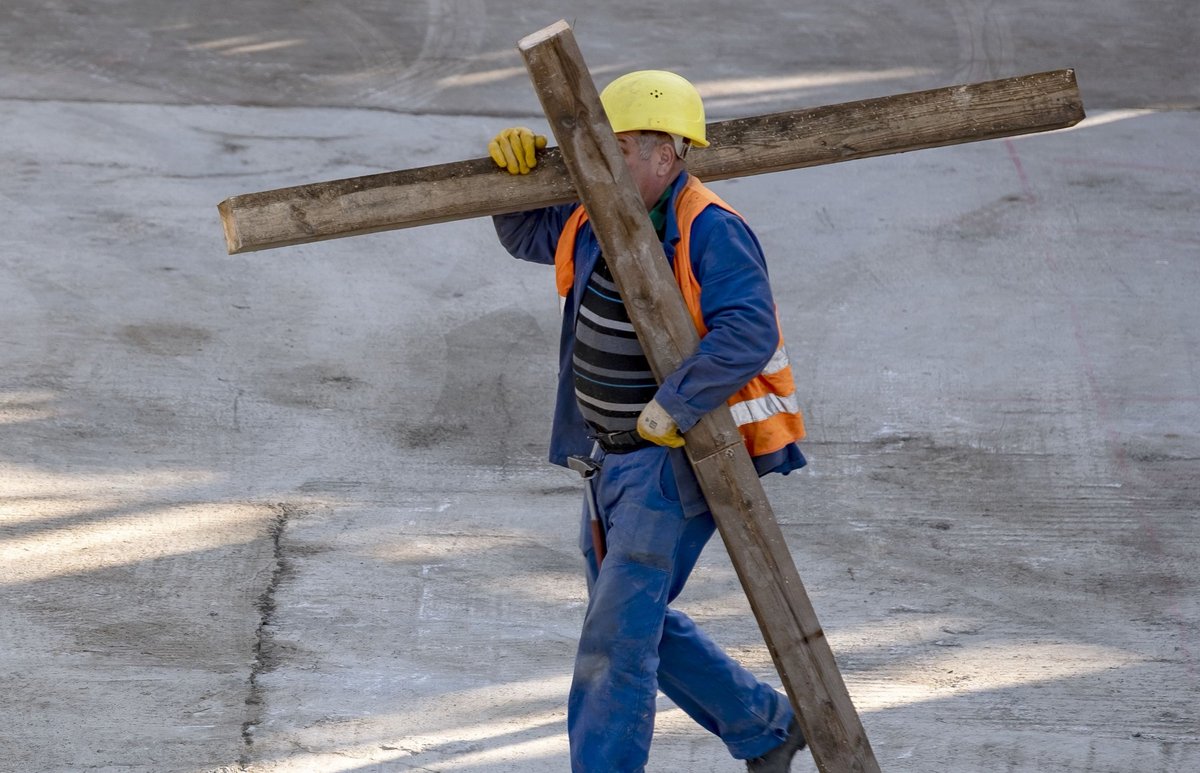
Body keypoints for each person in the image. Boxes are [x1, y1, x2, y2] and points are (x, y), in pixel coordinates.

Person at [489, 70, 809, 773]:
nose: (601, 162)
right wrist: (516, 179)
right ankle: (764, 725)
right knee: (632, 621)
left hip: (669, 466)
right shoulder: (599, 209)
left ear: (667, 154)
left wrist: (675, 403)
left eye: (620, 147)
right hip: (606, 460)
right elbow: (529, 234)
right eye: (596, 147)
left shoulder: (711, 229)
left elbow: (748, 330)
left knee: (615, 643)